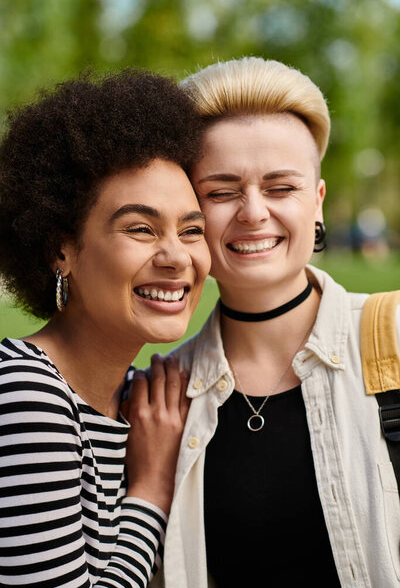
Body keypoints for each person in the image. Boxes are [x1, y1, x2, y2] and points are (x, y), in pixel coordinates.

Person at [148, 57, 400, 588]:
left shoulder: (395, 333)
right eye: (221, 191)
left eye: (281, 187)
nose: (254, 211)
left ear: (318, 203)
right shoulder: (161, 399)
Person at [0, 69, 211, 587]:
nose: (175, 256)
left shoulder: (133, 398)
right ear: (61, 250)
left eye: (191, 229)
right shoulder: (26, 393)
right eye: (140, 228)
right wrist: (152, 488)